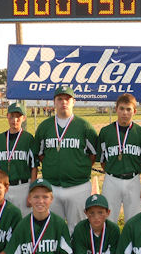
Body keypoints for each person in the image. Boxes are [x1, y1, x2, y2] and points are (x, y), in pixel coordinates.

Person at [34, 86, 97, 233]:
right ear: (54, 102)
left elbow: (93, 154)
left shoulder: (84, 126)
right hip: (52, 186)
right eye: (60, 99)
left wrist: (78, 167)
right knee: (53, 228)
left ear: (73, 102)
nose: (64, 102)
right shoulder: (45, 126)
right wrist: (53, 165)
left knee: (78, 228)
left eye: (67, 99)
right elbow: (41, 154)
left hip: (78, 186)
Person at [97, 93, 141, 225]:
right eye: (121, 109)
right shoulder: (106, 132)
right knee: (109, 218)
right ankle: (110, 245)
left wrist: (134, 170)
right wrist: (113, 170)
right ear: (116, 109)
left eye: (128, 109)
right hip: (112, 179)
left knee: (133, 219)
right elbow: (102, 160)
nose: (125, 113)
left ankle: (131, 246)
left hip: (133, 179)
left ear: (134, 111)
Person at [0, 102, 38, 217]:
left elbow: (34, 167)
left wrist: (31, 191)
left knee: (24, 221)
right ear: (7, 116)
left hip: (22, 186)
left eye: (18, 116)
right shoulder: (0, 139)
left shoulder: (28, 138)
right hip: (4, 187)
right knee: (5, 220)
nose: (15, 120)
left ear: (23, 118)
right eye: (12, 116)